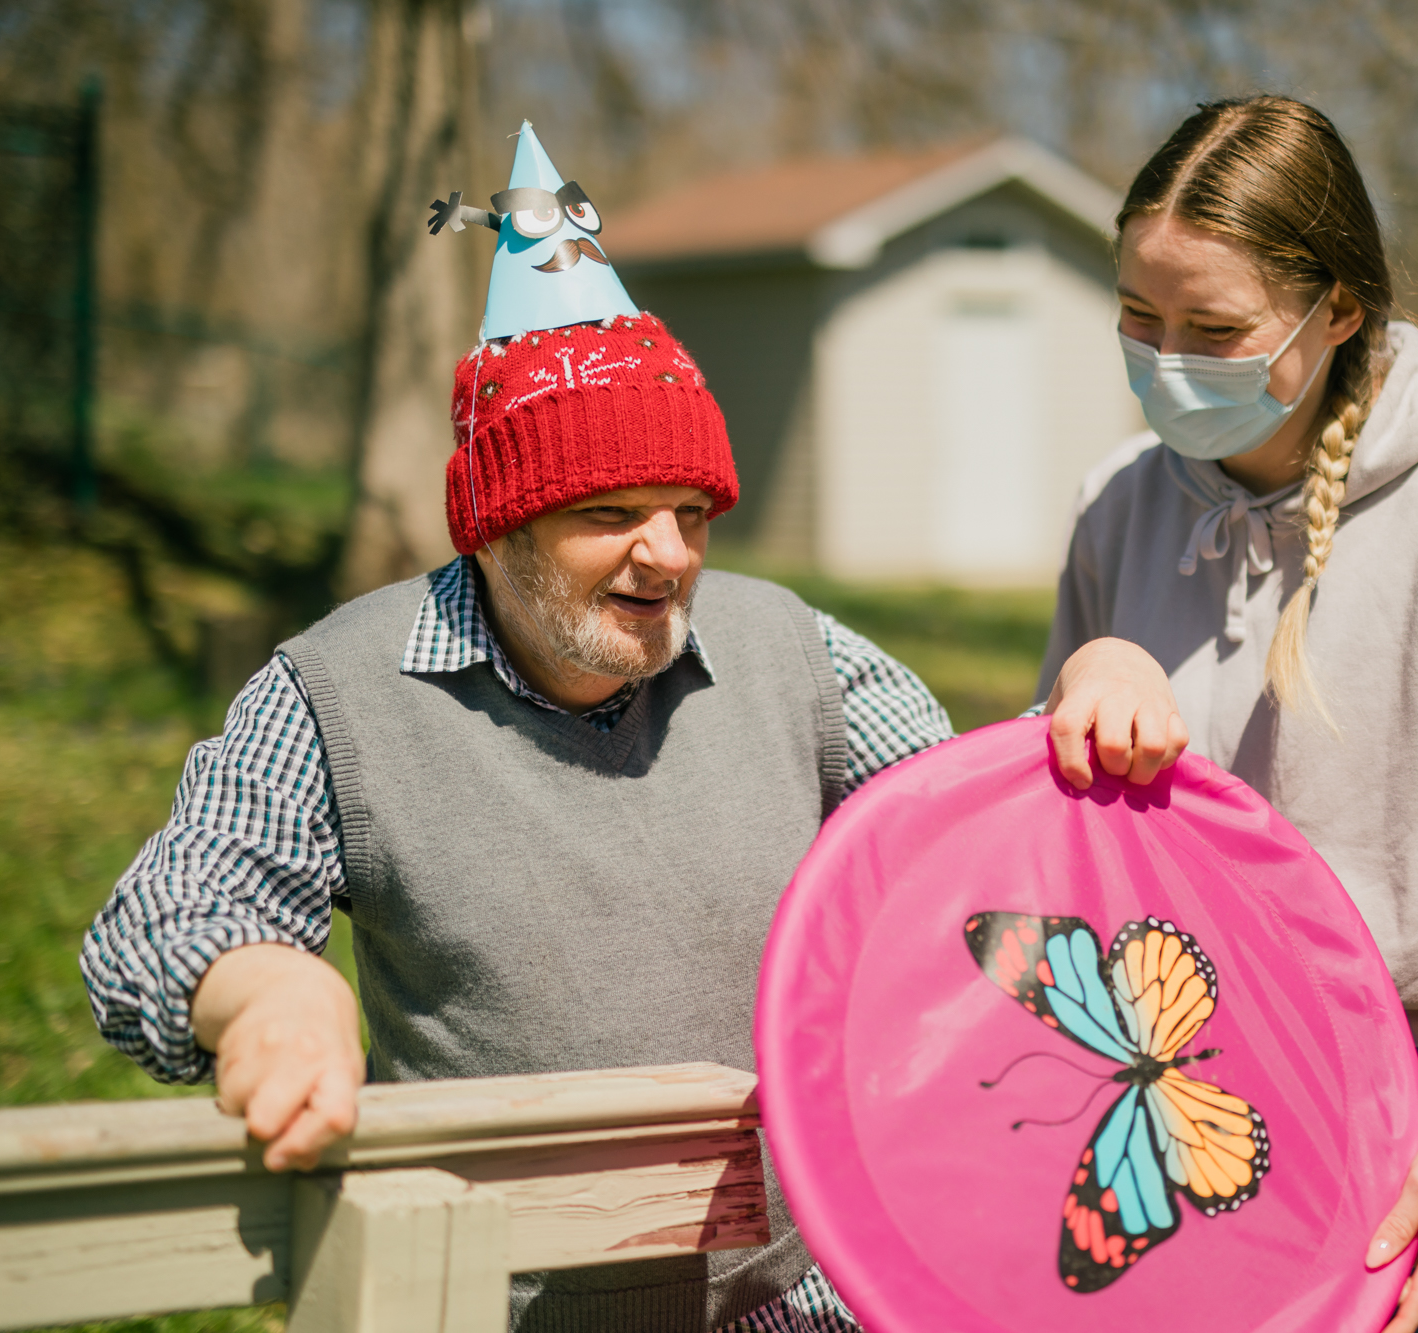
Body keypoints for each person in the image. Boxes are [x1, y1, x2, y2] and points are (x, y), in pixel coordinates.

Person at [78, 124, 1191, 1333]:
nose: (665, 555)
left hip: (792, 1292)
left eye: (689, 512)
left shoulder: (791, 655)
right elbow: (168, 915)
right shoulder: (339, 691)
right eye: (609, 511)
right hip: (487, 1300)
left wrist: (1099, 671)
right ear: (496, 524)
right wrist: (262, 994)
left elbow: (980, 849)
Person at [1036, 96, 1418, 1333]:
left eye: (1212, 329)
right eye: (1136, 320)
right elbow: (1052, 837)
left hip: (1393, 1098)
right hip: (1137, 1067)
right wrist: (1083, 677)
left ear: (1339, 310)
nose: (1164, 361)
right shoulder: (1114, 507)